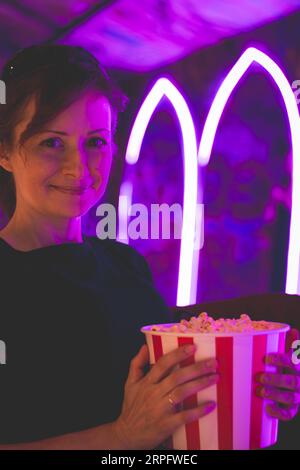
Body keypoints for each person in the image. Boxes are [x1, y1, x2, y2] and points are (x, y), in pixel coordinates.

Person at [0, 44, 219, 449]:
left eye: (96, 142)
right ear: (5, 152)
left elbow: (171, 397)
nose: (79, 168)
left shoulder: (126, 264)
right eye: (51, 142)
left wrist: (254, 387)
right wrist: (119, 437)